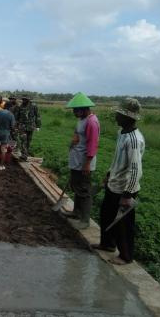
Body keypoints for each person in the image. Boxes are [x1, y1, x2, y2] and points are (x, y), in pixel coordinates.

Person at [91, 98, 144, 265]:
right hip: (114, 183)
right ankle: (107, 244)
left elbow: (135, 169)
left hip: (125, 188)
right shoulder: (122, 133)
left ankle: (126, 256)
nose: (116, 116)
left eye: (119, 114)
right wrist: (108, 174)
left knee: (123, 224)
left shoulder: (134, 140)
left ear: (128, 117)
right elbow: (118, 160)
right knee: (106, 215)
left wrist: (128, 195)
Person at [64, 92, 100, 230]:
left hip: (84, 163)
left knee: (84, 190)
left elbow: (92, 145)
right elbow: (78, 135)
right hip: (76, 160)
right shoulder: (82, 120)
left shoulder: (92, 122)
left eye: (76, 110)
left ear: (85, 108)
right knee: (77, 187)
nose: (74, 112)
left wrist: (87, 164)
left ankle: (85, 220)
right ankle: (76, 212)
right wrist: (74, 141)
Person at [16, 95, 41, 161]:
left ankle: (25, 153)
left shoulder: (34, 106)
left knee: (28, 141)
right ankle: (24, 155)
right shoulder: (20, 106)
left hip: (30, 126)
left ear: (28, 100)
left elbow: (37, 116)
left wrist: (38, 126)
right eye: (23, 99)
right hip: (22, 126)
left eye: (25, 99)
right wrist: (16, 125)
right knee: (23, 140)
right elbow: (17, 117)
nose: (24, 100)